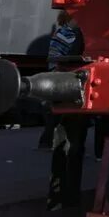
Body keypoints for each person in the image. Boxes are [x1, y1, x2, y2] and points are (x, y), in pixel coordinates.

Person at [37, 12, 84, 148]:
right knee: (59, 110)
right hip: (59, 71)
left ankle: (46, 140)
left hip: (55, 69)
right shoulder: (68, 34)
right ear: (73, 19)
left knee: (56, 110)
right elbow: (75, 51)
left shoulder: (60, 31)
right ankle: (50, 140)